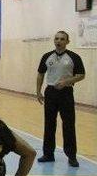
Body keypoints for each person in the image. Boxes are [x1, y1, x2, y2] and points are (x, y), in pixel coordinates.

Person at [36, 31, 85, 167]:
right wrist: (38, 91)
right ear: (54, 41)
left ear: (67, 42)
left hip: (66, 93)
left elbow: (81, 75)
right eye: (57, 38)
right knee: (49, 124)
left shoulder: (74, 57)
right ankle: (48, 154)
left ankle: (71, 156)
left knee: (69, 124)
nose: (59, 41)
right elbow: (40, 74)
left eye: (62, 39)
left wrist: (66, 82)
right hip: (50, 93)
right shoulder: (47, 56)